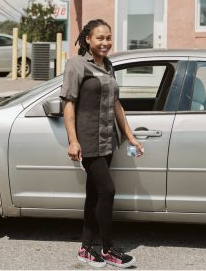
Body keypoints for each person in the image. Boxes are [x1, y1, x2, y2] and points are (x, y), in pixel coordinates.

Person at [60, 19, 144, 268]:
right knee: (107, 191)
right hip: (88, 140)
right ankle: (108, 248)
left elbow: (116, 104)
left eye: (108, 38)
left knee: (94, 195)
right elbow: (68, 102)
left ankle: (86, 249)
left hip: (108, 139)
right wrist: (73, 141)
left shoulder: (108, 65)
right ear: (88, 39)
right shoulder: (77, 64)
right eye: (100, 38)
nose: (106, 42)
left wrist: (129, 135)